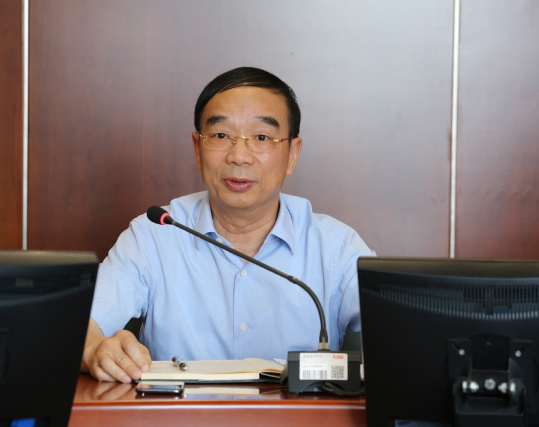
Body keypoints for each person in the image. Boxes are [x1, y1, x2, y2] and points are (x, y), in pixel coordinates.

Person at [81, 67, 375, 383]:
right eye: (221, 136)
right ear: (197, 148)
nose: (239, 156)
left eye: (261, 137)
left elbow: (397, 338)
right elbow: (80, 326)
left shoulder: (336, 248)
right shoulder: (154, 233)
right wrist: (95, 349)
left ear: (292, 154)